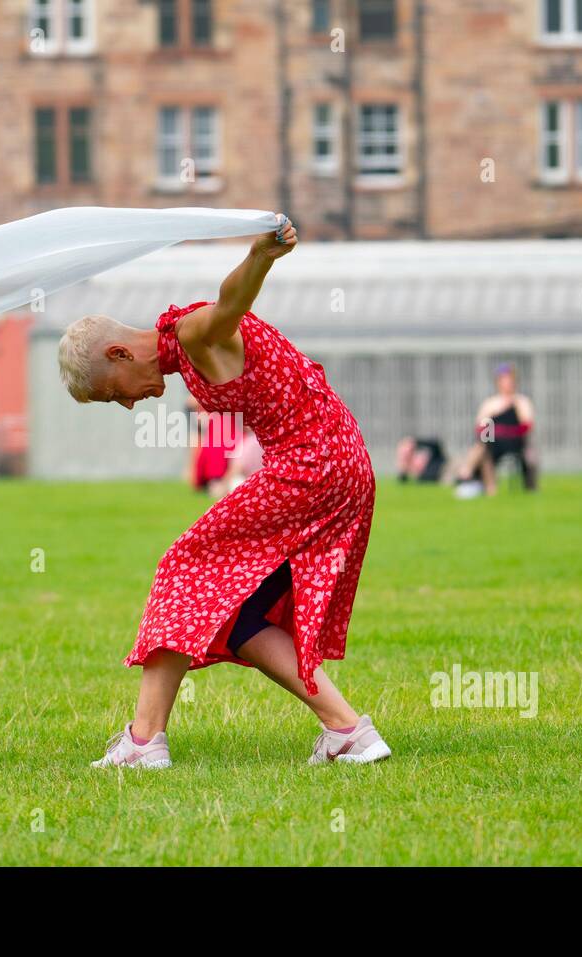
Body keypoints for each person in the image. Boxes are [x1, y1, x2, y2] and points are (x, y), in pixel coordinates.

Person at [57, 214, 390, 769]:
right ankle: (348, 732)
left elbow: (228, 305)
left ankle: (144, 743)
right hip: (341, 461)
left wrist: (260, 256)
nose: (130, 405)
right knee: (240, 614)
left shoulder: (192, 335)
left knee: (183, 568)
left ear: (118, 355)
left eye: (115, 395)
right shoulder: (185, 349)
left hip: (311, 466)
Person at [451, 363, 537, 496]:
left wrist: (504, 429)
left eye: (510, 379)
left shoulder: (521, 402)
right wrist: (495, 431)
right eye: (504, 380)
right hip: (493, 443)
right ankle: (486, 485)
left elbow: (526, 427)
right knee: (484, 445)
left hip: (515, 443)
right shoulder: (491, 404)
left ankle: (465, 472)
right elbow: (481, 428)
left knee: (484, 444)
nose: (507, 383)